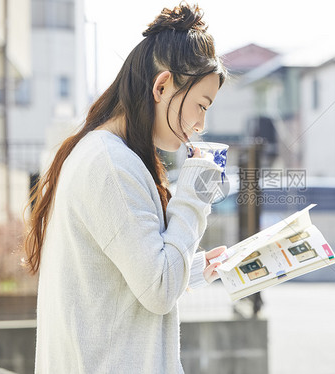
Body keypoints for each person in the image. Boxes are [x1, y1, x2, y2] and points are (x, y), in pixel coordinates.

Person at [23, 3, 228, 373]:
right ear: (162, 86)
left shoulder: (105, 154)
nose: (200, 124)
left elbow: (122, 279)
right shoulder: (111, 165)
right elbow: (159, 290)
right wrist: (195, 192)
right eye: (201, 104)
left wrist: (194, 270)